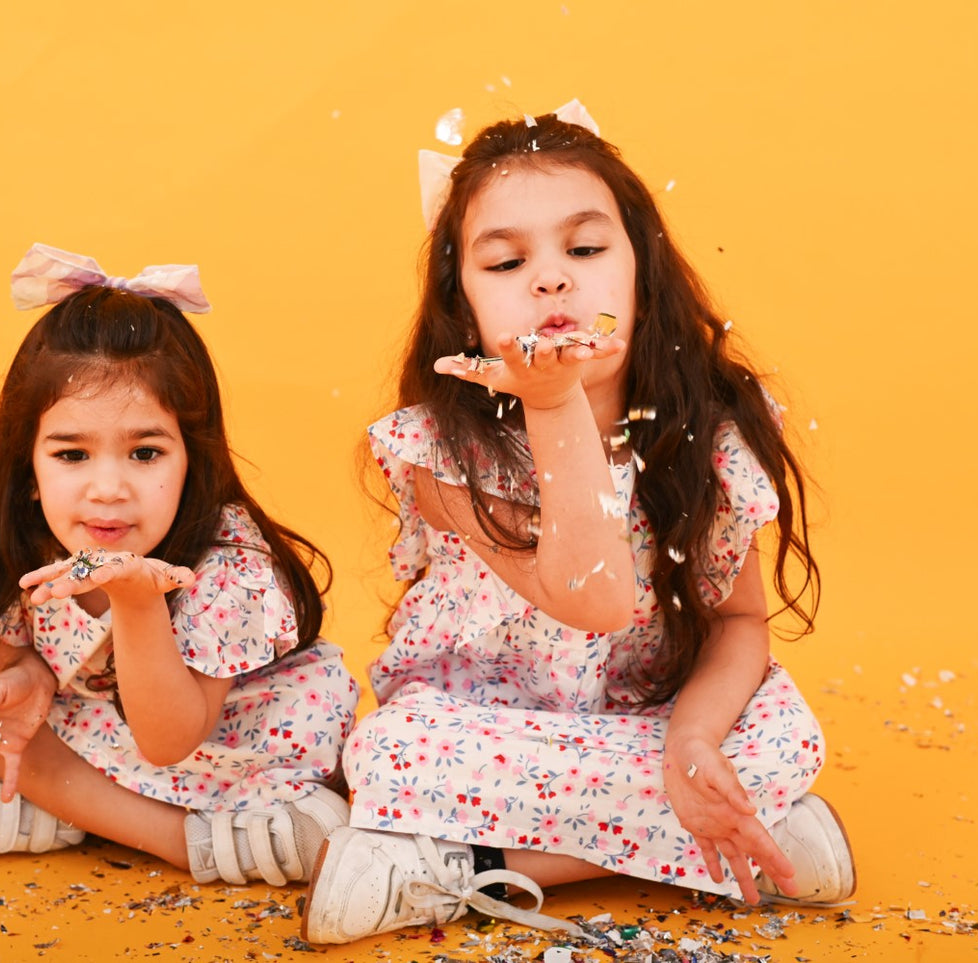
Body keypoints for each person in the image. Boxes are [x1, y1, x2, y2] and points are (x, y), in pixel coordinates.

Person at [301, 103, 854, 944]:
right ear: (464, 307)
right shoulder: (440, 450)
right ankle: (742, 842)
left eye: (585, 250)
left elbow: (739, 622)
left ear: (644, 274)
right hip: (482, 728)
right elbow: (591, 599)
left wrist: (694, 743)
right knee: (385, 749)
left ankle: (451, 867)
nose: (550, 280)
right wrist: (553, 404)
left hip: (643, 718)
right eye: (506, 262)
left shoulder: (708, 440)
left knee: (782, 735)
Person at [0, 243, 359, 888]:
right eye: (72, 456)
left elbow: (169, 740)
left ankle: (116, 823)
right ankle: (166, 832)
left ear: (190, 460)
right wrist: (23, 674)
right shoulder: (0, 541)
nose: (108, 488)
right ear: (27, 468)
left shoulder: (227, 562)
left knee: (305, 825)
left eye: (145, 454)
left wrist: (138, 601)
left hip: (217, 739)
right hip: (91, 722)